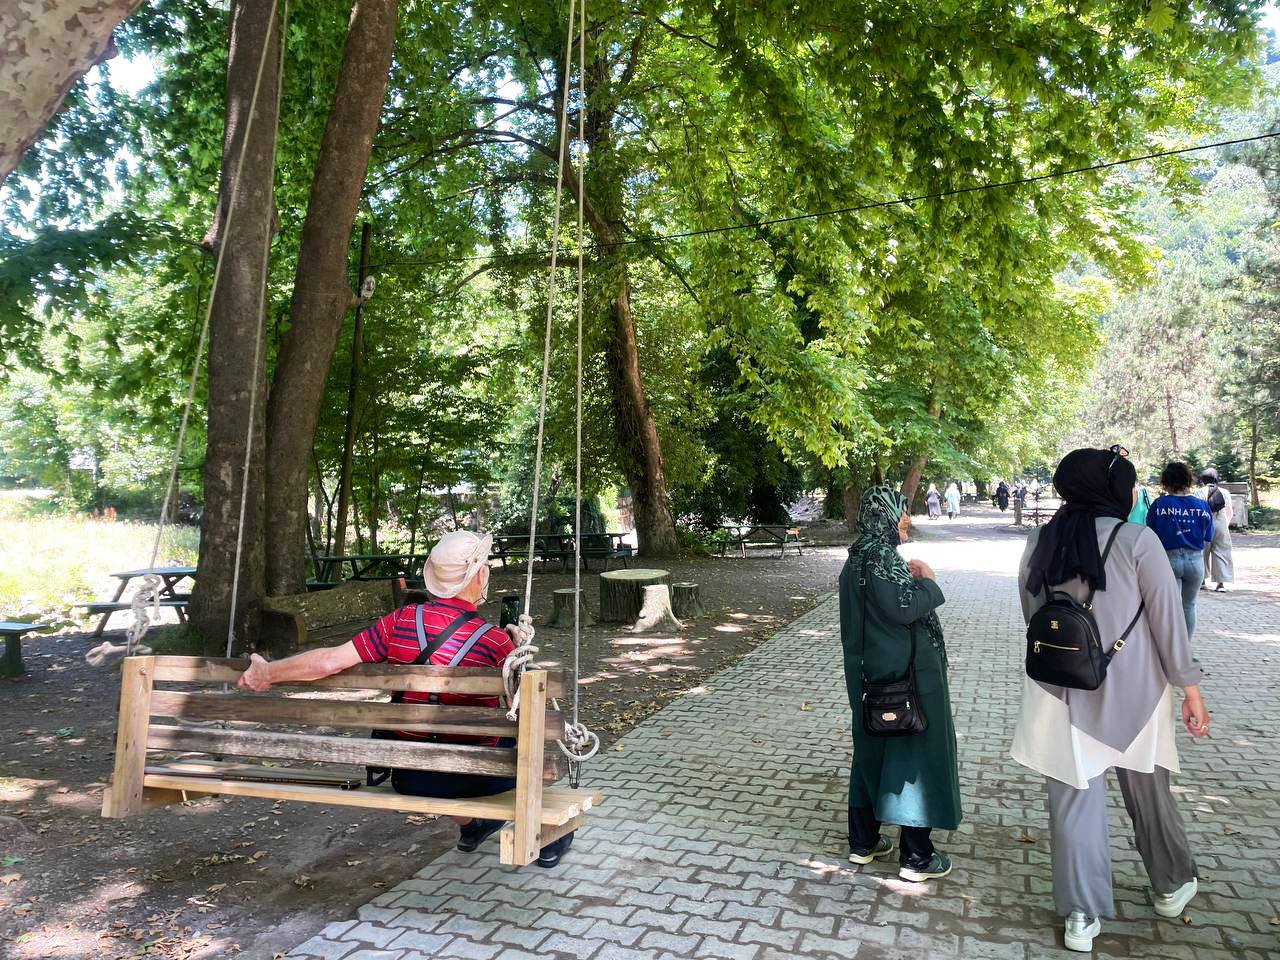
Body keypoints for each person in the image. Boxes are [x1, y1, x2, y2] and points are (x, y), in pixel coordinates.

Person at [237, 531, 576, 868]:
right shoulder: (495, 642)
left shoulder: (398, 623)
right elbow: (523, 712)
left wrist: (267, 673)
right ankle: (550, 836)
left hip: (411, 776)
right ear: (478, 577)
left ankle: (475, 825)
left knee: (453, 754)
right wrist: (514, 649)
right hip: (481, 775)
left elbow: (328, 662)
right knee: (520, 748)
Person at [1012, 448, 1210, 953]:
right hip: (1136, 692)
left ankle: (1081, 915)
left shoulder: (1040, 540)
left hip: (1060, 693)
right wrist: (1190, 691)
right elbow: (1169, 624)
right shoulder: (1138, 541)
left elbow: (1033, 614)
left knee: (1073, 800)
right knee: (1149, 791)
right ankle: (1171, 886)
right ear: (1115, 490)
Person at [840, 486, 961, 882]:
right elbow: (904, 607)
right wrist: (928, 581)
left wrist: (909, 579)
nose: (906, 518)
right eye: (900, 511)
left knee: (871, 752)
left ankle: (863, 842)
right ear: (884, 515)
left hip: (869, 675)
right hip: (909, 676)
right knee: (916, 757)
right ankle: (917, 858)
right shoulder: (881, 557)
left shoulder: (858, 557)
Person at [1146, 462, 1213, 637]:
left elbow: (1150, 534)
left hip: (1168, 560)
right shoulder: (1202, 505)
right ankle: (1185, 647)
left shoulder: (1159, 504)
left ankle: (1169, 647)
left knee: (1170, 607)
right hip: (1195, 561)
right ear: (1188, 480)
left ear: (1165, 481)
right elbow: (1208, 536)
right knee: (1189, 606)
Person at [1197, 467, 1235, 591]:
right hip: (1221, 524)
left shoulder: (1199, 492)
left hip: (1204, 526)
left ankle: (1202, 581)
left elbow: (1197, 511)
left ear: (1203, 479)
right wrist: (1225, 525)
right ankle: (1220, 583)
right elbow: (1229, 511)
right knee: (1221, 552)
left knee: (1202, 552)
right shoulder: (1225, 492)